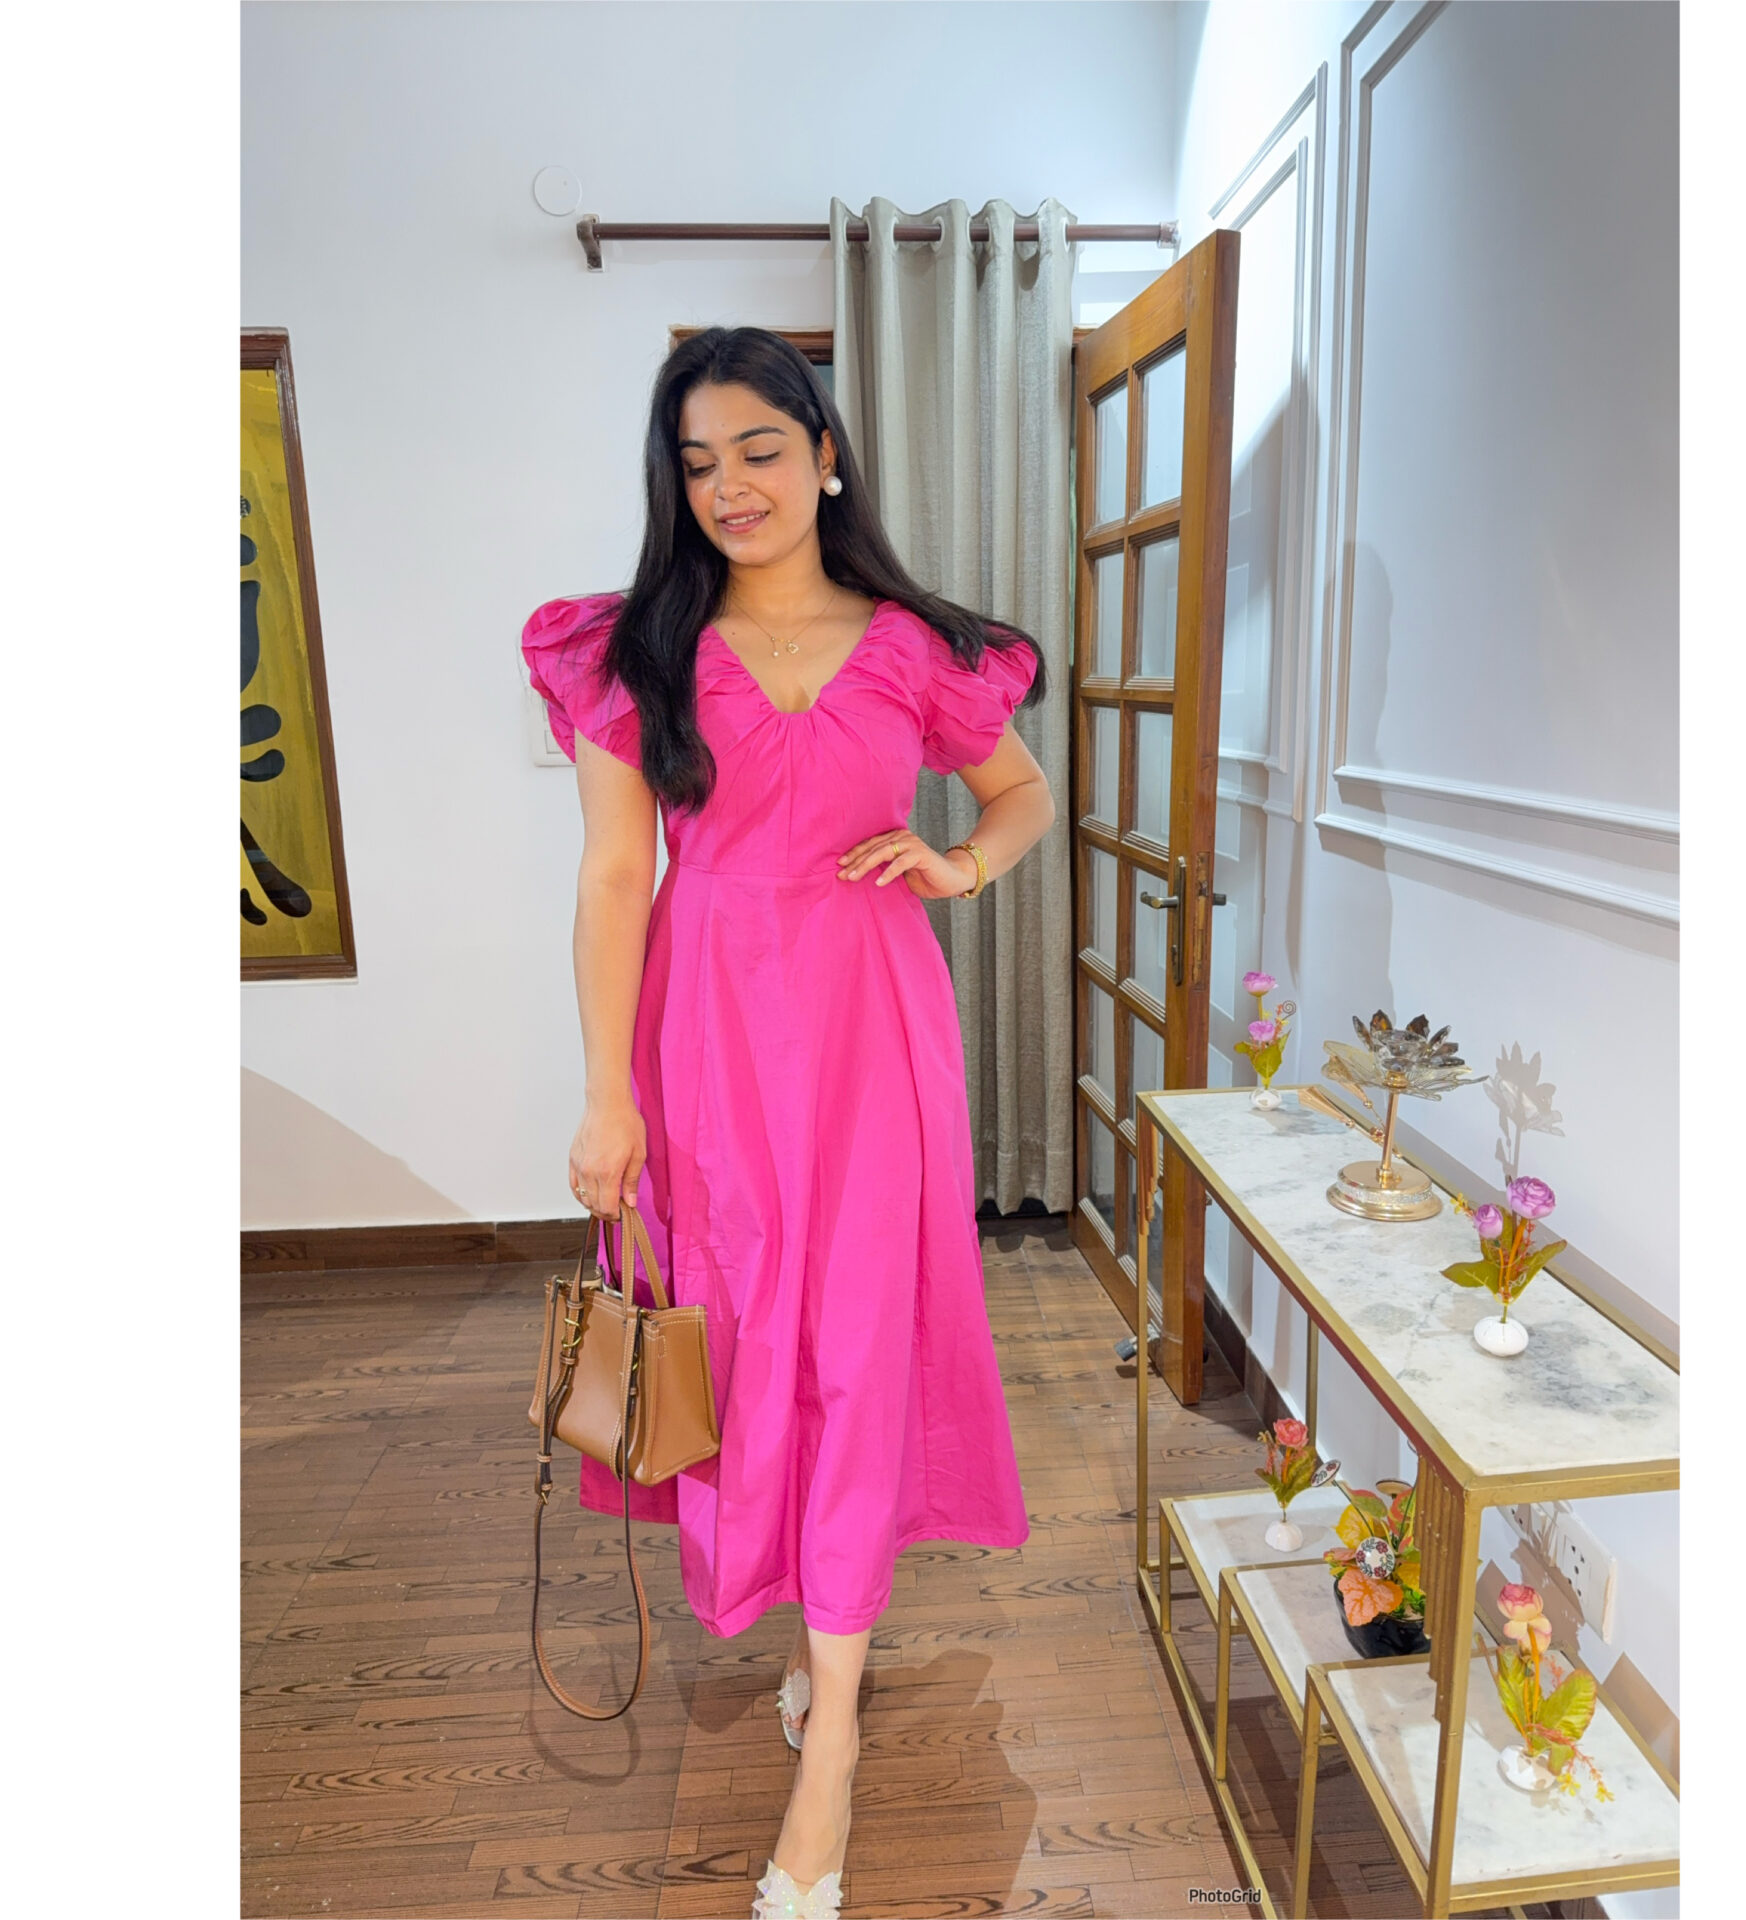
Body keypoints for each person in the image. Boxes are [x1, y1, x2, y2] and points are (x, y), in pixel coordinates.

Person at [521, 326, 1056, 1920]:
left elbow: (1021, 793)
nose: (729, 485)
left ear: (826, 454)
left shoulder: (917, 648)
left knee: (861, 1348)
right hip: (710, 1040)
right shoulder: (636, 650)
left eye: (759, 448)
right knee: (749, 1341)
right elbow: (615, 877)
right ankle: (813, 1643)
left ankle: (833, 1745)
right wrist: (607, 1093)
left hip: (877, 1036)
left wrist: (963, 865)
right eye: (697, 462)